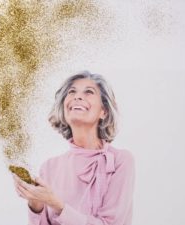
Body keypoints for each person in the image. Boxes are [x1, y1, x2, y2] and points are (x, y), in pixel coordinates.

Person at [12, 71, 135, 225]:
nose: (77, 96)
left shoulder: (120, 161)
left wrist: (56, 205)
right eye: (72, 92)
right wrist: (35, 202)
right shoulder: (49, 167)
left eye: (89, 92)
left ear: (103, 111)